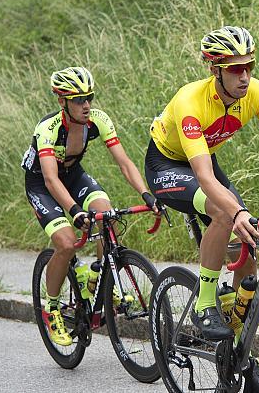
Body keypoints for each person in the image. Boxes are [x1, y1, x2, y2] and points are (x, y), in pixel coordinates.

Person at [144, 26, 259, 390]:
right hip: (168, 166)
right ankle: (205, 303)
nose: (245, 75)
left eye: (249, 65)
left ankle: (239, 351)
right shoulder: (190, 101)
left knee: (248, 236)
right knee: (225, 212)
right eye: (235, 69)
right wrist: (233, 212)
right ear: (214, 69)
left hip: (205, 159)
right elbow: (204, 179)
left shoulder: (256, 92)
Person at [22, 66, 158, 347]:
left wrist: (146, 194)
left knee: (105, 211)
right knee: (67, 242)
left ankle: (97, 276)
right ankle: (52, 308)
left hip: (72, 175)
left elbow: (124, 162)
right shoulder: (47, 129)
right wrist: (74, 211)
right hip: (42, 183)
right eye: (78, 100)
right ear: (62, 102)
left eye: (89, 98)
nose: (86, 105)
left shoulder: (97, 120)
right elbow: (49, 178)